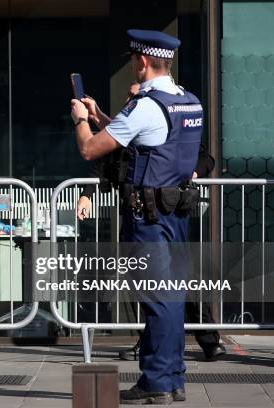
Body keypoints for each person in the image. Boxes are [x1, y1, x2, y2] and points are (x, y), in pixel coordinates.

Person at [71, 29, 203, 405]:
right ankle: (173, 377)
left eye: (133, 59)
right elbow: (147, 140)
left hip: (148, 218)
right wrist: (101, 115)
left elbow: (90, 150)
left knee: (157, 298)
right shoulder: (189, 103)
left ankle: (157, 381)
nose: (132, 64)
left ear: (142, 61)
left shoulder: (146, 105)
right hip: (176, 214)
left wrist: (81, 120)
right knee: (172, 297)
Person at [75, 86, 226, 363]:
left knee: (175, 284)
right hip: (139, 216)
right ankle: (156, 349)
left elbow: (206, 158)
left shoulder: (165, 122)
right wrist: (86, 194)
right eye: (130, 97)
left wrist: (83, 120)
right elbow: (103, 162)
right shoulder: (135, 123)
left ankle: (205, 341)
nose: (132, 100)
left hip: (163, 214)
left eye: (136, 95)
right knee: (149, 287)